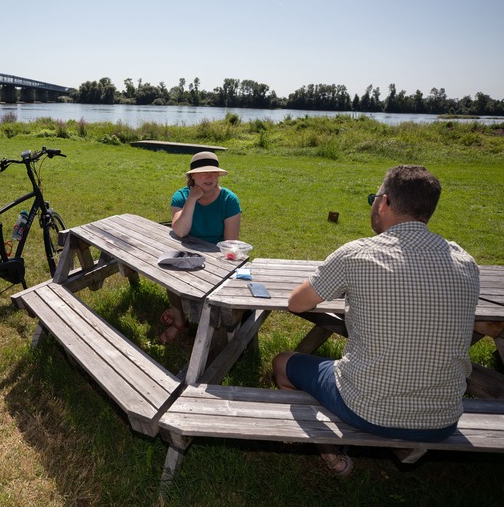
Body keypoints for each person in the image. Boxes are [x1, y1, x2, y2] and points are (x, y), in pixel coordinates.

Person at [272, 165, 479, 477]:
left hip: (366, 409)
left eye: (374, 197)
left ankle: (332, 456)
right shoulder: (465, 261)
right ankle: (407, 442)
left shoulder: (357, 254)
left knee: (282, 363)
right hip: (443, 419)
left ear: (384, 203)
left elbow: (296, 302)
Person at [159, 151, 242, 343]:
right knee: (170, 272)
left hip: (216, 257)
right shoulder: (181, 196)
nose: (209, 177)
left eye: (213, 172)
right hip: (186, 254)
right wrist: (192, 199)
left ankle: (191, 315)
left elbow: (231, 244)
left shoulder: (229, 200)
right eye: (203, 172)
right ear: (192, 176)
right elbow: (180, 231)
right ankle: (180, 322)